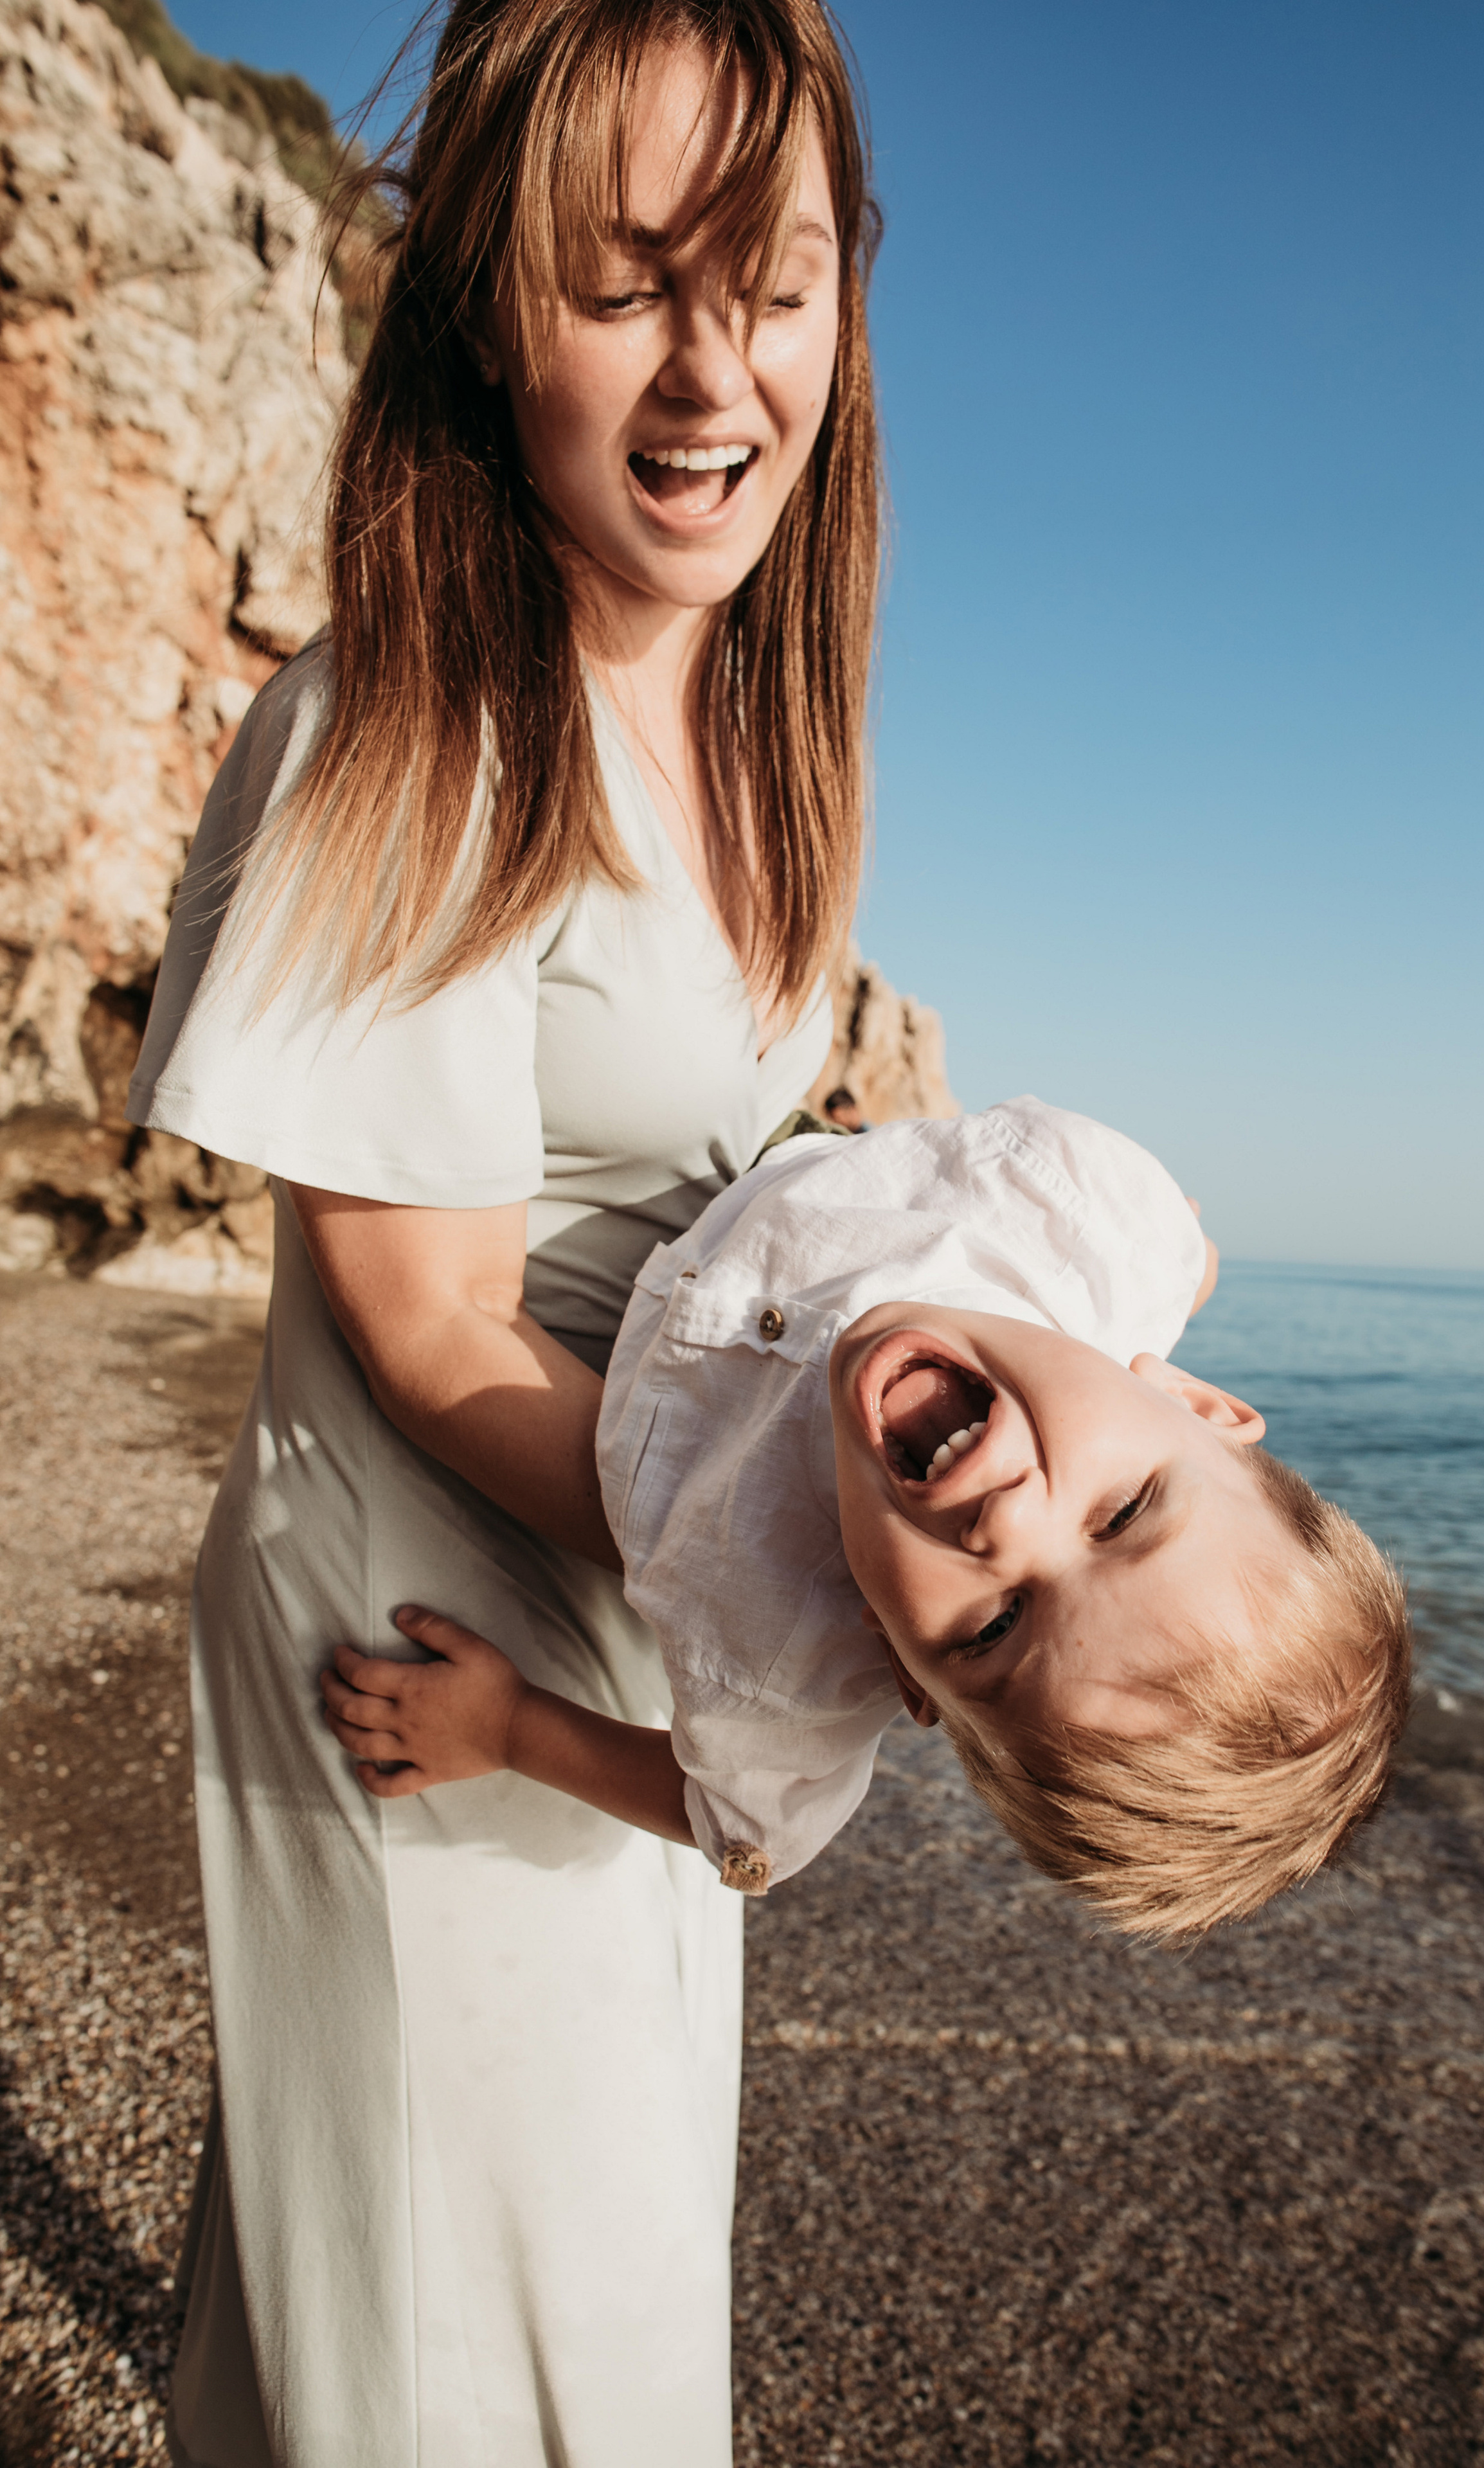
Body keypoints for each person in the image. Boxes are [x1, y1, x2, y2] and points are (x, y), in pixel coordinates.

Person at [125, 2, 882, 2460]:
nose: (716, 371)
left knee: (491, 2281)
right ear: (482, 302)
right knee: (476, 2345)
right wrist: (843, 1560)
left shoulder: (737, 709)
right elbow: (435, 1320)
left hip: (617, 1623)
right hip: (434, 1638)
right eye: (623, 279)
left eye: (769, 284)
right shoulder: (419, 726)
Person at [322, 1100, 1413, 1942]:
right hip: (804, 1157)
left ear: (902, 1675)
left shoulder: (759, 1622)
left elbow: (748, 1842)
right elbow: (1174, 1243)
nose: (1009, 1524)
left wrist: (509, 1728)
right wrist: (1190, 1255)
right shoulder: (1080, 1225)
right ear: (1195, 1402)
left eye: (991, 1633)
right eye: (1123, 1513)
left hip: (673, 1395)